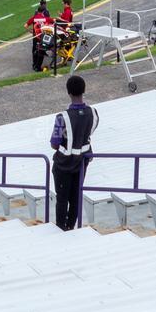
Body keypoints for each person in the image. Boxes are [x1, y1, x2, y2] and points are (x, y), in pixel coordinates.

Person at [49, 74, 98, 231]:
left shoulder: (62, 117)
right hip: (82, 162)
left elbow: (54, 144)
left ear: (68, 92)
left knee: (62, 198)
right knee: (76, 197)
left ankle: (61, 228)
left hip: (63, 164)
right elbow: (88, 133)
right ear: (84, 90)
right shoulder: (93, 113)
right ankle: (71, 226)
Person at [25, 0, 52, 71]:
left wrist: (31, 31)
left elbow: (25, 26)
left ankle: (34, 65)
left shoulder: (34, 18)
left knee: (34, 50)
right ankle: (38, 67)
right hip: (42, 38)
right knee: (41, 52)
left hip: (35, 37)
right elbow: (52, 22)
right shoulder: (45, 18)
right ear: (43, 12)